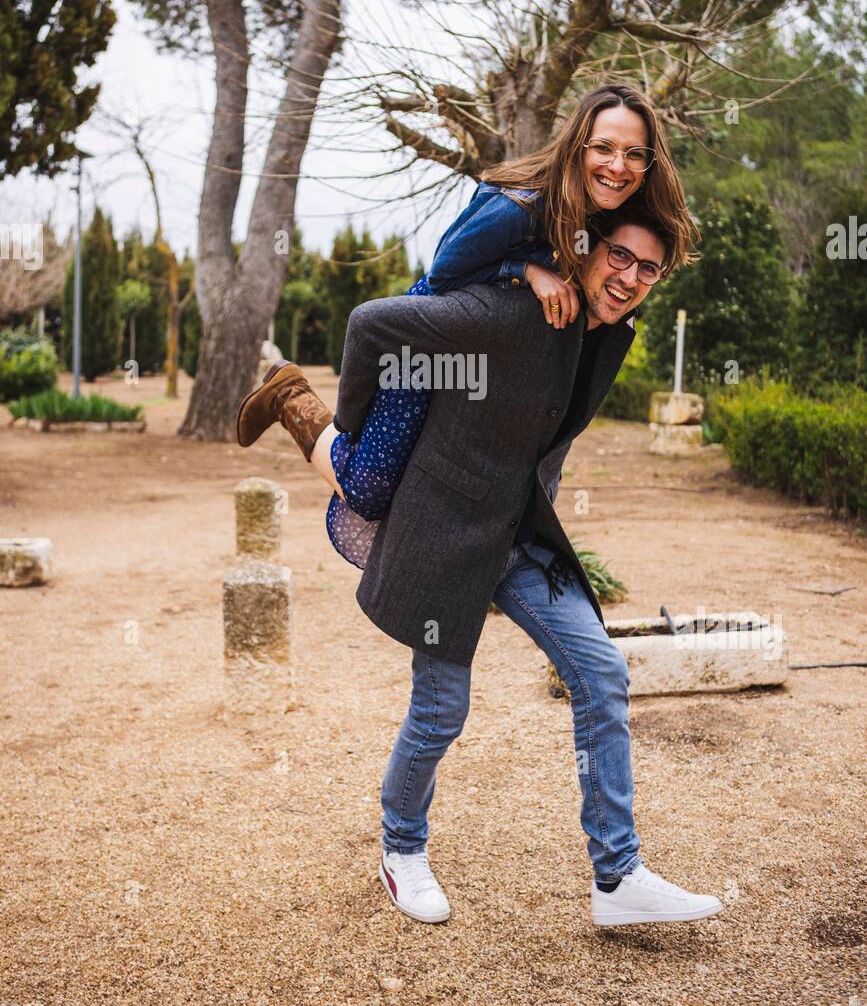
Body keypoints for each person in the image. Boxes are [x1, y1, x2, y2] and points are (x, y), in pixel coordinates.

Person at [237, 190, 723, 929]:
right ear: (586, 250)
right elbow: (373, 323)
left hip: (518, 536)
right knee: (440, 709)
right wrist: (362, 431)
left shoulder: (604, 333)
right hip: (443, 534)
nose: (628, 276)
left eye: (648, 268)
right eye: (617, 254)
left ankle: (616, 879)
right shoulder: (512, 312)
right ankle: (401, 849)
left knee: (600, 672)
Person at [237, 82, 696, 579]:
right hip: (429, 338)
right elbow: (443, 272)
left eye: (634, 154)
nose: (618, 165)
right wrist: (528, 270)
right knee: (369, 490)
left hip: (488, 350)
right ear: (578, 144)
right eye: (603, 147)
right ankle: (292, 398)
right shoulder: (520, 206)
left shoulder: (604, 208)